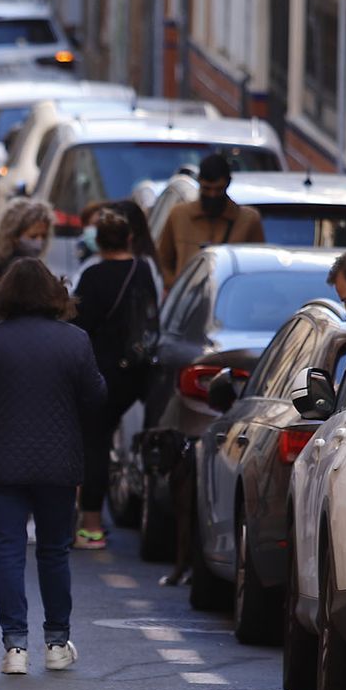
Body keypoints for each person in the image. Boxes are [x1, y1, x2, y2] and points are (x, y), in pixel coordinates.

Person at [0, 259, 106, 676]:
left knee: (8, 550)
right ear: (55, 295)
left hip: (1, 464)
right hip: (59, 464)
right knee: (54, 551)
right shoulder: (75, 342)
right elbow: (96, 400)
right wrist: (73, 435)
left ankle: (14, 647)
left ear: (4, 295)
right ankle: (56, 641)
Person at [71, 211, 159, 549]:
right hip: (138, 371)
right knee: (128, 442)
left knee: (95, 444)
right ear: (129, 239)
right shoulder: (144, 271)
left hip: (102, 373)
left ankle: (91, 526)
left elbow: (79, 326)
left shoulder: (93, 276)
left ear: (99, 242)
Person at [155, 153, 265, 284]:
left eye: (218, 189)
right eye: (207, 189)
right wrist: (178, 288)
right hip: (188, 300)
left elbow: (258, 268)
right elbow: (163, 262)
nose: (212, 195)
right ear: (199, 183)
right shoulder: (179, 215)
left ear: (228, 183)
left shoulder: (248, 220)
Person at [0, 196, 54, 326]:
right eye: (33, 236)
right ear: (13, 236)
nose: (39, 242)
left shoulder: (41, 270)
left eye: (43, 236)